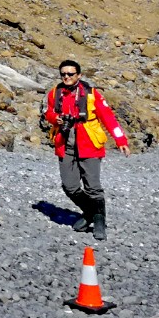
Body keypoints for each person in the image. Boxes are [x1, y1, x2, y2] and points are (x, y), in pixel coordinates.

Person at [42, 59, 128, 239]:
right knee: (69, 186)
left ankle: (99, 221)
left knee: (93, 187)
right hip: (65, 143)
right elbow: (48, 112)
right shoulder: (54, 93)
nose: (66, 77)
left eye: (70, 74)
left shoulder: (92, 94)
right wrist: (54, 118)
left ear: (79, 75)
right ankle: (90, 212)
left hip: (89, 143)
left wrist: (120, 140)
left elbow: (108, 118)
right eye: (63, 74)